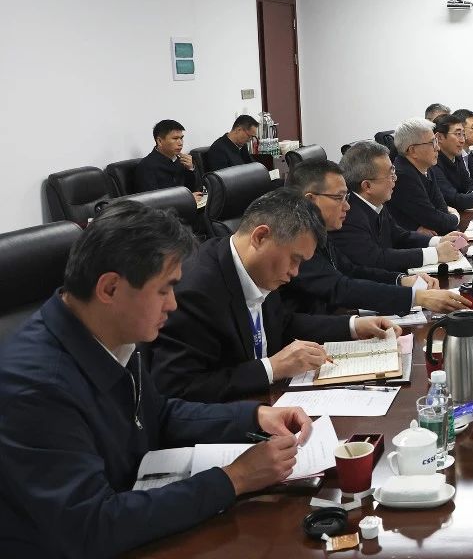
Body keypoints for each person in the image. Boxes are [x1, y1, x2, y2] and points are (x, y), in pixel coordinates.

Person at [0, 201, 316, 557]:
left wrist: (254, 417)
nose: (173, 305)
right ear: (110, 289)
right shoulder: (38, 387)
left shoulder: (111, 333)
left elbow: (158, 415)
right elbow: (91, 526)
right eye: (164, 290)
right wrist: (235, 478)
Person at [149, 190, 402, 402]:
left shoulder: (255, 269)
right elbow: (178, 388)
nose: (295, 272)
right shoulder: (195, 291)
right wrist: (272, 368)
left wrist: (353, 326)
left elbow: (282, 323)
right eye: (295, 259)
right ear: (260, 237)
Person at [280, 159, 470, 317]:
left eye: (346, 197)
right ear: (310, 200)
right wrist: (416, 297)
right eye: (339, 198)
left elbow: (350, 270)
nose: (347, 206)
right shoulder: (293, 241)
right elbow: (340, 287)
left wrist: (401, 280)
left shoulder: (318, 230)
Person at [331, 141, 461, 272]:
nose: (396, 178)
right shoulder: (347, 215)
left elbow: (399, 236)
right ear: (367, 186)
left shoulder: (376, 201)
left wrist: (438, 241)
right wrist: (435, 254)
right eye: (390, 174)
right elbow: (376, 259)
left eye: (393, 170)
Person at [385, 119, 462, 236]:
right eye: (432, 143)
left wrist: (446, 217)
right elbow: (435, 221)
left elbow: (441, 208)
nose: (438, 148)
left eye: (436, 141)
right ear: (412, 150)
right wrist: (455, 217)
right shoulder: (402, 176)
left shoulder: (426, 167)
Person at [135, 119, 200, 195]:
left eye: (181, 138)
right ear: (159, 141)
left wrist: (191, 169)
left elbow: (198, 190)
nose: (180, 143)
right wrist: (187, 198)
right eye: (175, 138)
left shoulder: (182, 161)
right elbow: (152, 199)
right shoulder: (146, 166)